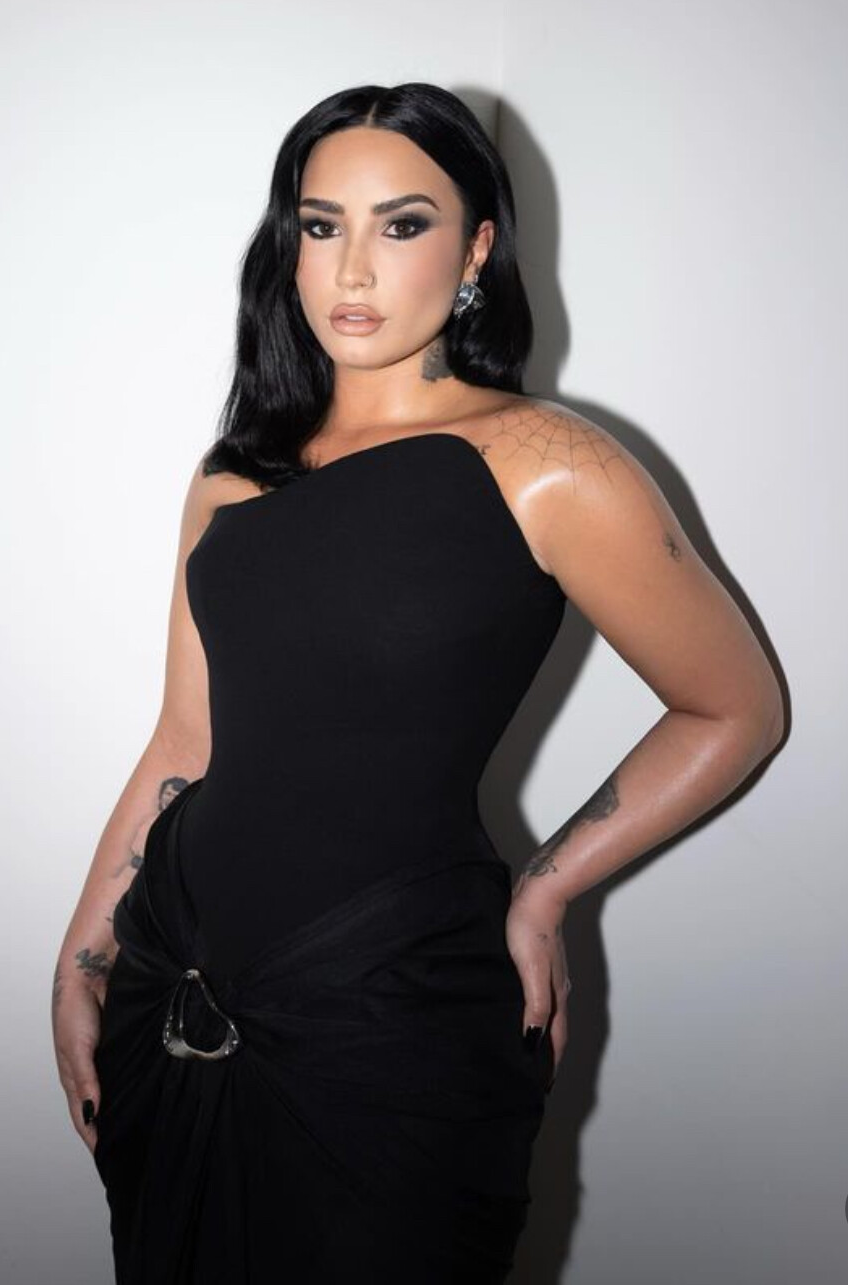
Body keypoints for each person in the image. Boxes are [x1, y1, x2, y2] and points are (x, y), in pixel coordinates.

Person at [51, 82, 784, 1284]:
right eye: (320, 224)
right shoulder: (233, 475)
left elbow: (736, 707)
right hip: (168, 984)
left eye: (402, 224)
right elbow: (186, 741)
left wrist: (547, 888)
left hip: (393, 1018)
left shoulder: (547, 464)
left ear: (478, 247)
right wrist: (83, 958)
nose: (352, 268)